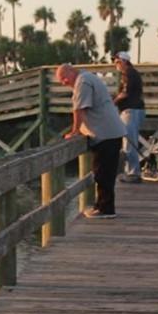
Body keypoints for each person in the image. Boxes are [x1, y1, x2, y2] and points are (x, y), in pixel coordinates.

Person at [56, 63, 126, 219]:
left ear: (71, 72)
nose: (63, 82)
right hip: (110, 132)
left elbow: (80, 108)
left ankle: (106, 209)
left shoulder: (83, 81)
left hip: (106, 134)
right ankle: (101, 205)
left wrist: (75, 131)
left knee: (103, 173)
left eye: (64, 78)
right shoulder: (87, 77)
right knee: (104, 172)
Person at [112, 51, 145, 182]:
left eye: (117, 62)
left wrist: (112, 102)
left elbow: (125, 93)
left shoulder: (128, 73)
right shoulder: (131, 73)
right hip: (133, 110)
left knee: (129, 144)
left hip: (131, 111)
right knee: (129, 142)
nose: (116, 65)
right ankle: (130, 172)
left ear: (124, 61)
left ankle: (133, 174)